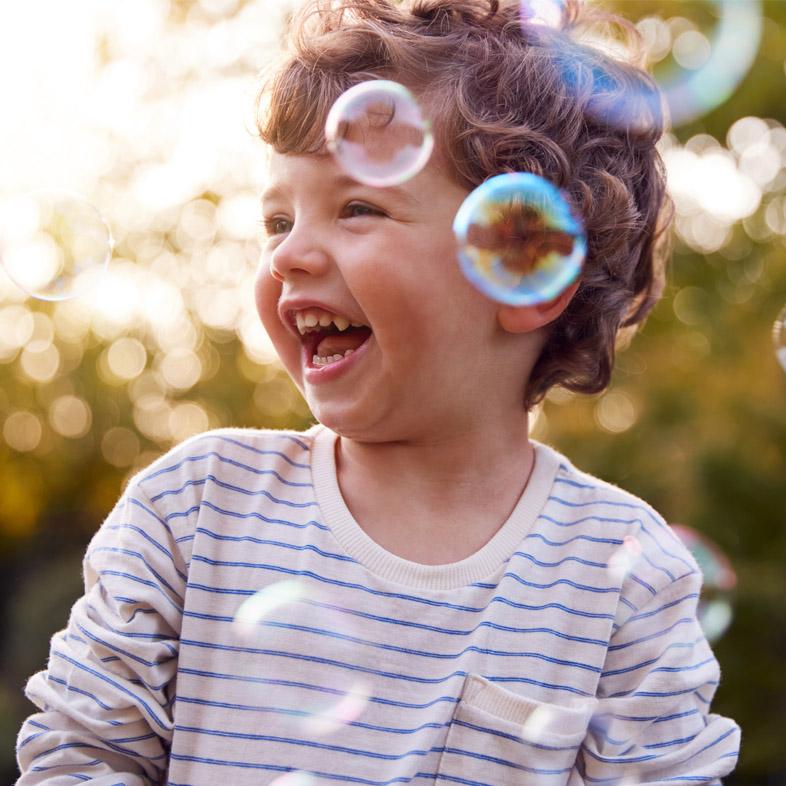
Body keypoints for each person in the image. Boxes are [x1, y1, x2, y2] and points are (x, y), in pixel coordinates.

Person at [15, 0, 741, 783]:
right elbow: (78, 755)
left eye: (357, 207)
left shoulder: (620, 580)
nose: (289, 254)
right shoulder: (193, 512)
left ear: (527, 264)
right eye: (276, 221)